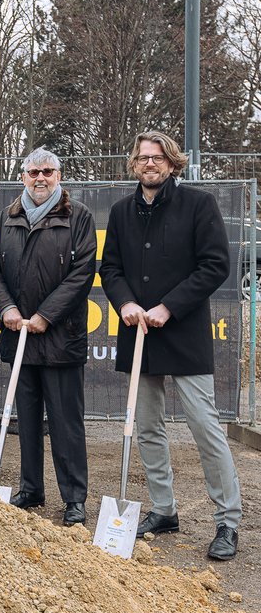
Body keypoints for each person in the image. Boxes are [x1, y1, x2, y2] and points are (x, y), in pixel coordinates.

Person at [100, 130, 242, 560]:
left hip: (181, 332)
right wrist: (124, 302)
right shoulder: (122, 211)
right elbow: (111, 267)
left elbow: (216, 264)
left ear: (172, 163)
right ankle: (164, 510)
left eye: (157, 157)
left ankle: (228, 521)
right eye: (142, 157)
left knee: (205, 426)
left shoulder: (198, 204)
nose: (149, 163)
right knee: (147, 427)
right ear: (134, 163)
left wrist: (169, 307)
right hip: (138, 333)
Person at [0, 147, 96, 526]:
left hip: (61, 338)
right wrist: (8, 310)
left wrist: (47, 314)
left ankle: (74, 498)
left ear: (59, 176)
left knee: (65, 423)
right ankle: (31, 489)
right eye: (34, 172)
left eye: (48, 171)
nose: (41, 178)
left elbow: (82, 273)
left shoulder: (77, 216)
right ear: (23, 176)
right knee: (26, 420)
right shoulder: (6, 217)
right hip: (20, 338)